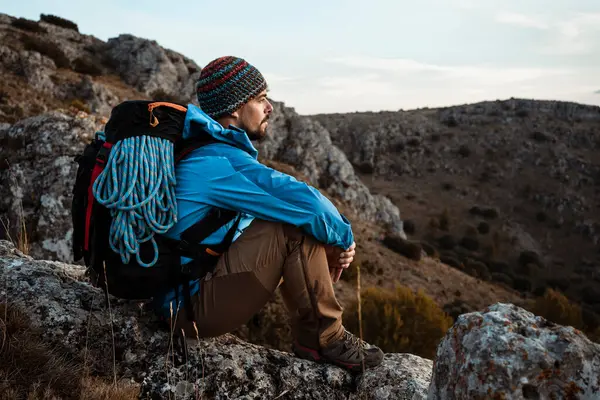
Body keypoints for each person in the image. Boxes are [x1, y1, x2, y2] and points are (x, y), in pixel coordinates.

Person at [154, 56, 384, 372]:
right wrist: (344, 240)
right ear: (234, 109)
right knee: (292, 226)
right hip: (187, 308)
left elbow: (243, 229)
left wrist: (327, 247)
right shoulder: (222, 162)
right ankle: (325, 338)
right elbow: (308, 204)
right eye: (261, 99)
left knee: (292, 222)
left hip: (175, 297)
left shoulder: (203, 149)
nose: (270, 108)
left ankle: (318, 336)